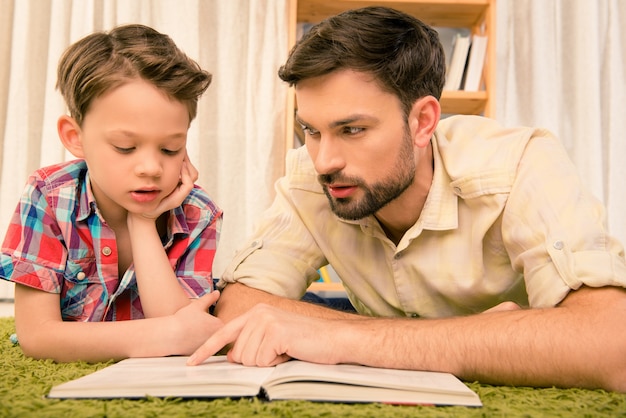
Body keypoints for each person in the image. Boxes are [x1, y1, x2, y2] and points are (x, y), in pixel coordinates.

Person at [189, 6, 626, 393]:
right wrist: (483, 335)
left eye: (352, 130)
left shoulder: (520, 164)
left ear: (422, 122)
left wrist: (347, 337)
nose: (323, 160)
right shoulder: (310, 176)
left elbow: (611, 341)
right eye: (311, 130)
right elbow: (238, 305)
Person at [0, 24, 223, 362]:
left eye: (170, 148)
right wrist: (165, 334)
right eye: (125, 147)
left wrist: (144, 223)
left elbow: (187, 335)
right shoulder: (48, 196)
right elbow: (36, 335)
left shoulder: (198, 212)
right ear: (75, 137)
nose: (151, 168)